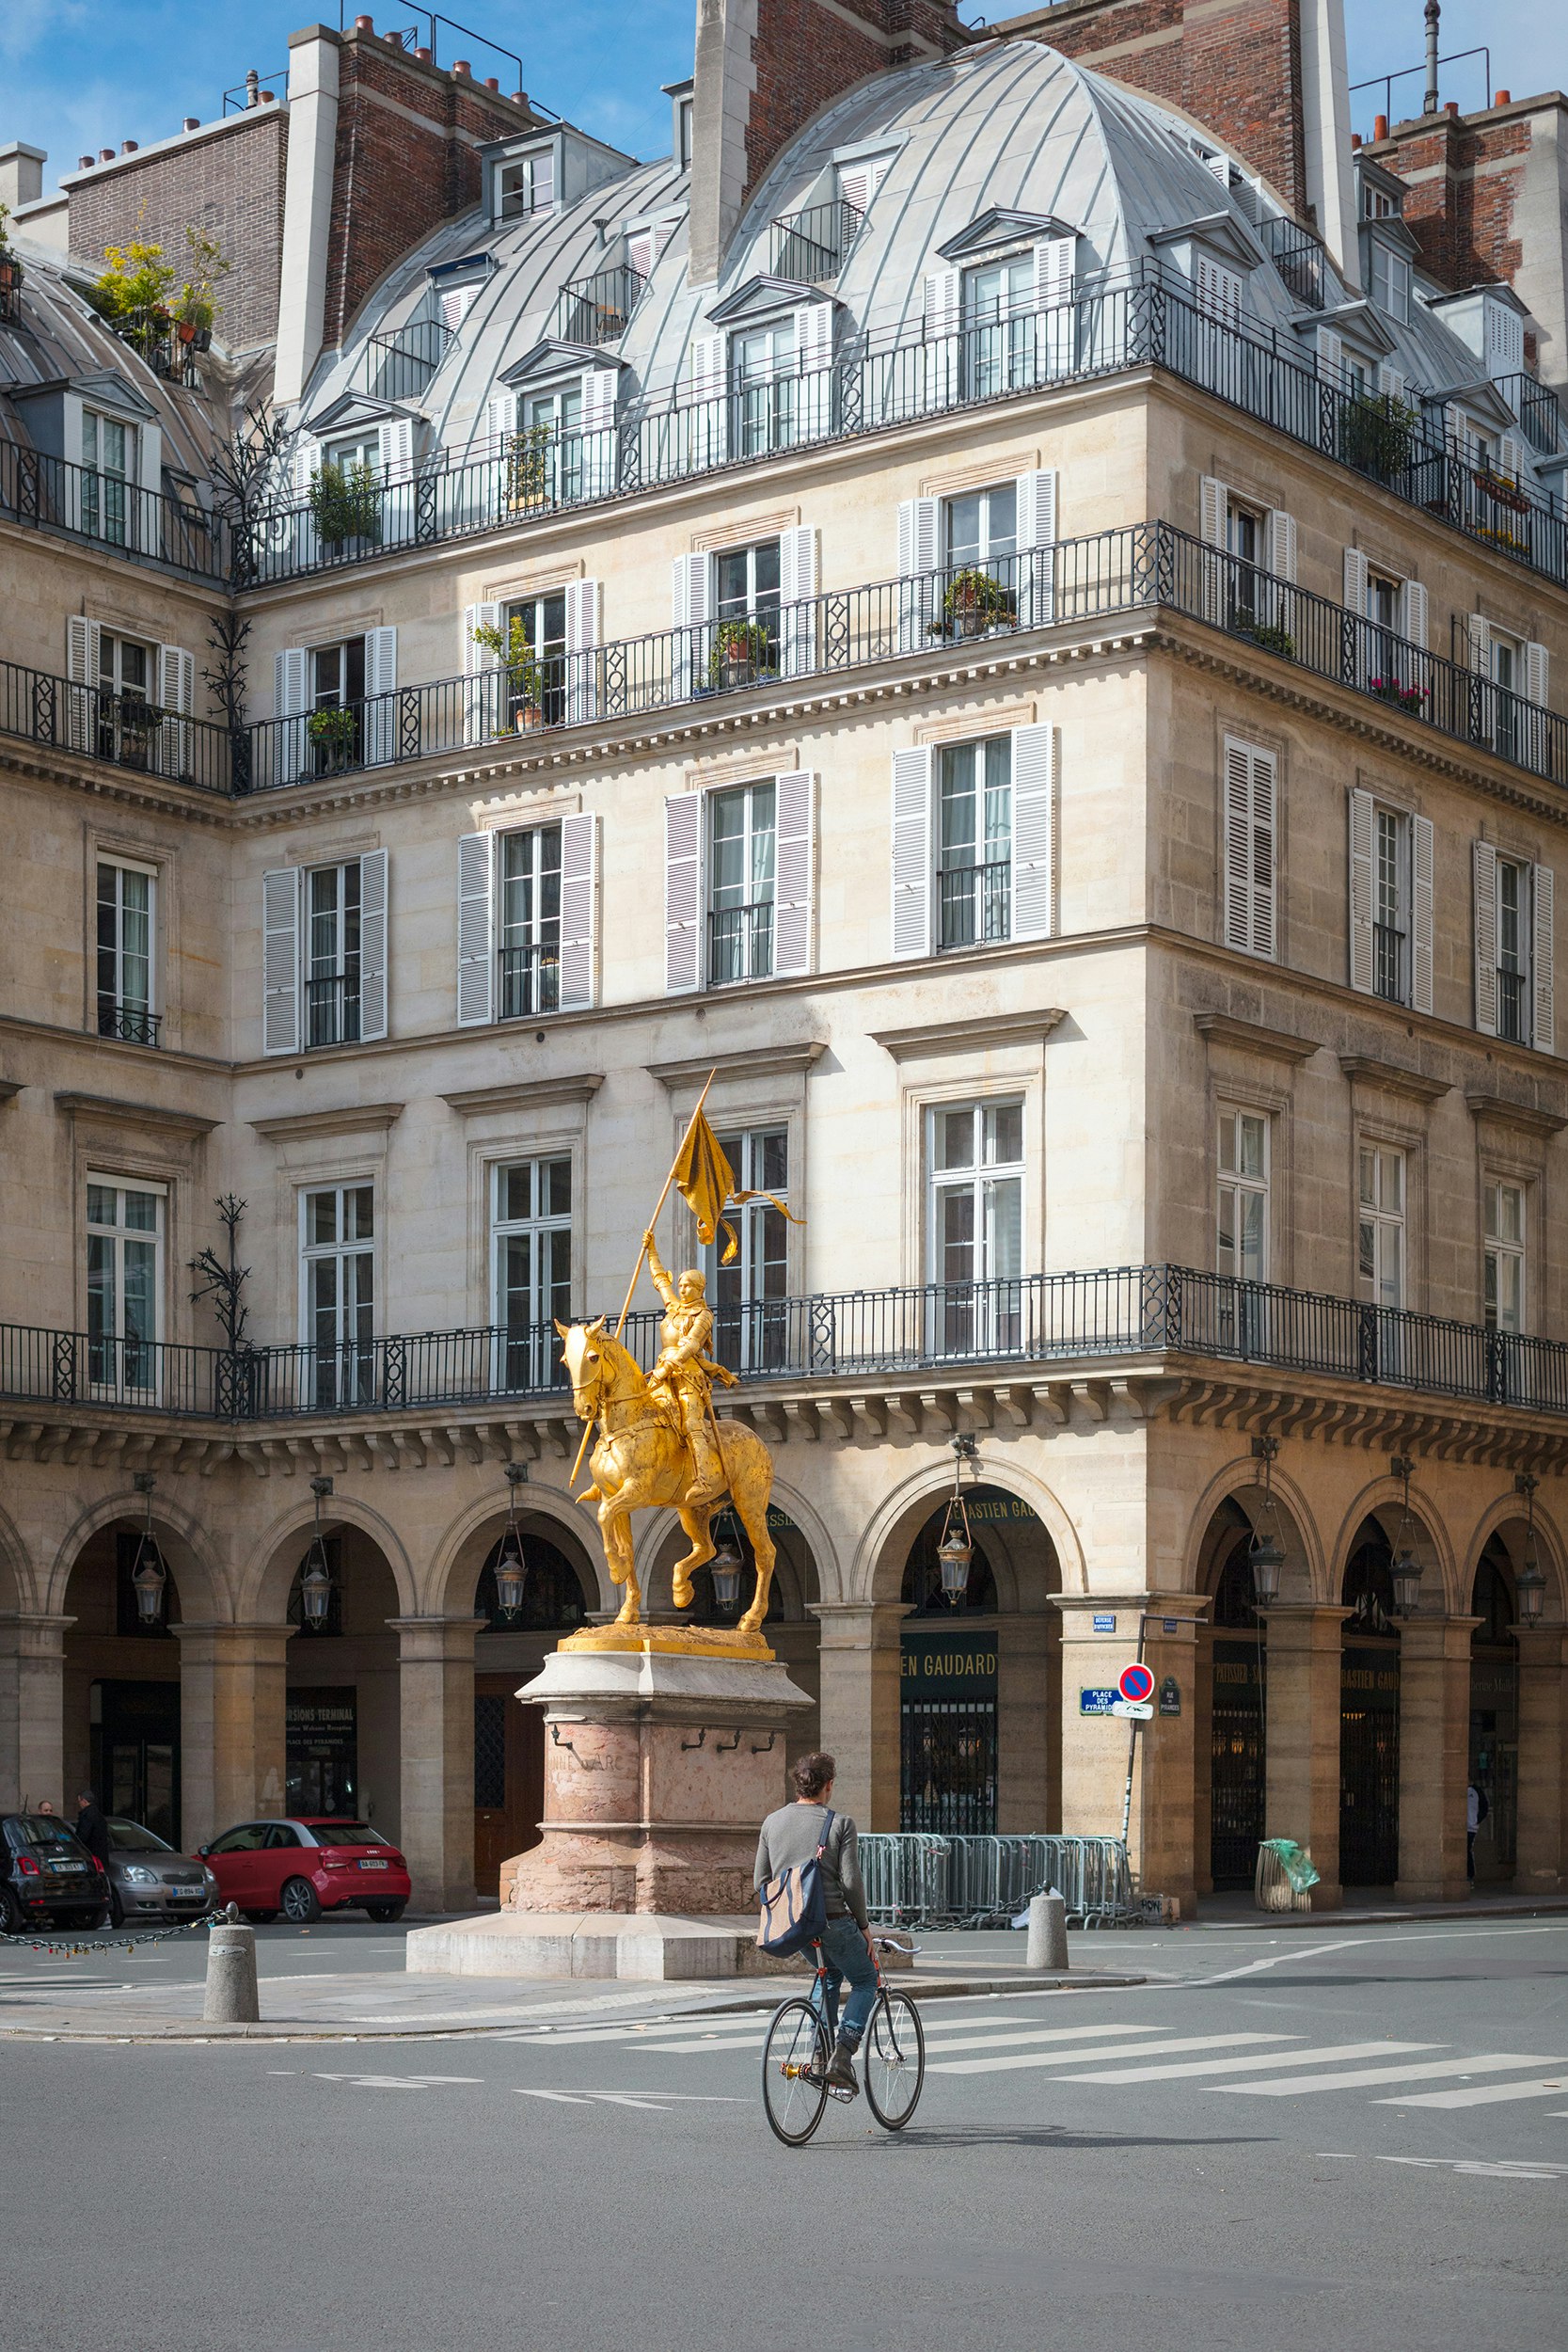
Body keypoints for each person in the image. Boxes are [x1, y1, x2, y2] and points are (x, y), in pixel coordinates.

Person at [754, 1750, 876, 2094]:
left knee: (829, 1975)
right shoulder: (839, 1823)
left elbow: (760, 1881)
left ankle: (821, 2052)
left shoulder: (771, 1822)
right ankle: (843, 2054)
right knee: (866, 1979)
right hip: (834, 1920)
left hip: (794, 1927)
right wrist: (864, 1926)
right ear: (829, 1786)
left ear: (799, 1784)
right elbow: (851, 1881)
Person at [642, 1228, 736, 1503]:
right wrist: (651, 1250)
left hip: (688, 1376)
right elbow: (660, 1280)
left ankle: (703, 1478)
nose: (682, 1289)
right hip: (663, 1373)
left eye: (688, 1286)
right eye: (681, 1285)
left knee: (691, 1423)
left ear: (699, 1289)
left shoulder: (704, 1315)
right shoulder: (673, 1308)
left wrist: (665, 1370)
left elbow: (690, 1346)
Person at [73, 1788, 112, 1868]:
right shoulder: (99, 1815)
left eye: (79, 1801)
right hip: (101, 1855)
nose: (79, 1804)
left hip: (91, 1855)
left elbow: (83, 1836)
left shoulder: (87, 1816)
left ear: (84, 1801)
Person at [1466, 1781, 1489, 1881]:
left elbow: (1484, 1806)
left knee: (1467, 1849)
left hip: (1470, 1826)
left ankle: (1470, 1875)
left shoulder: (1476, 1791)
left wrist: (1476, 1820)